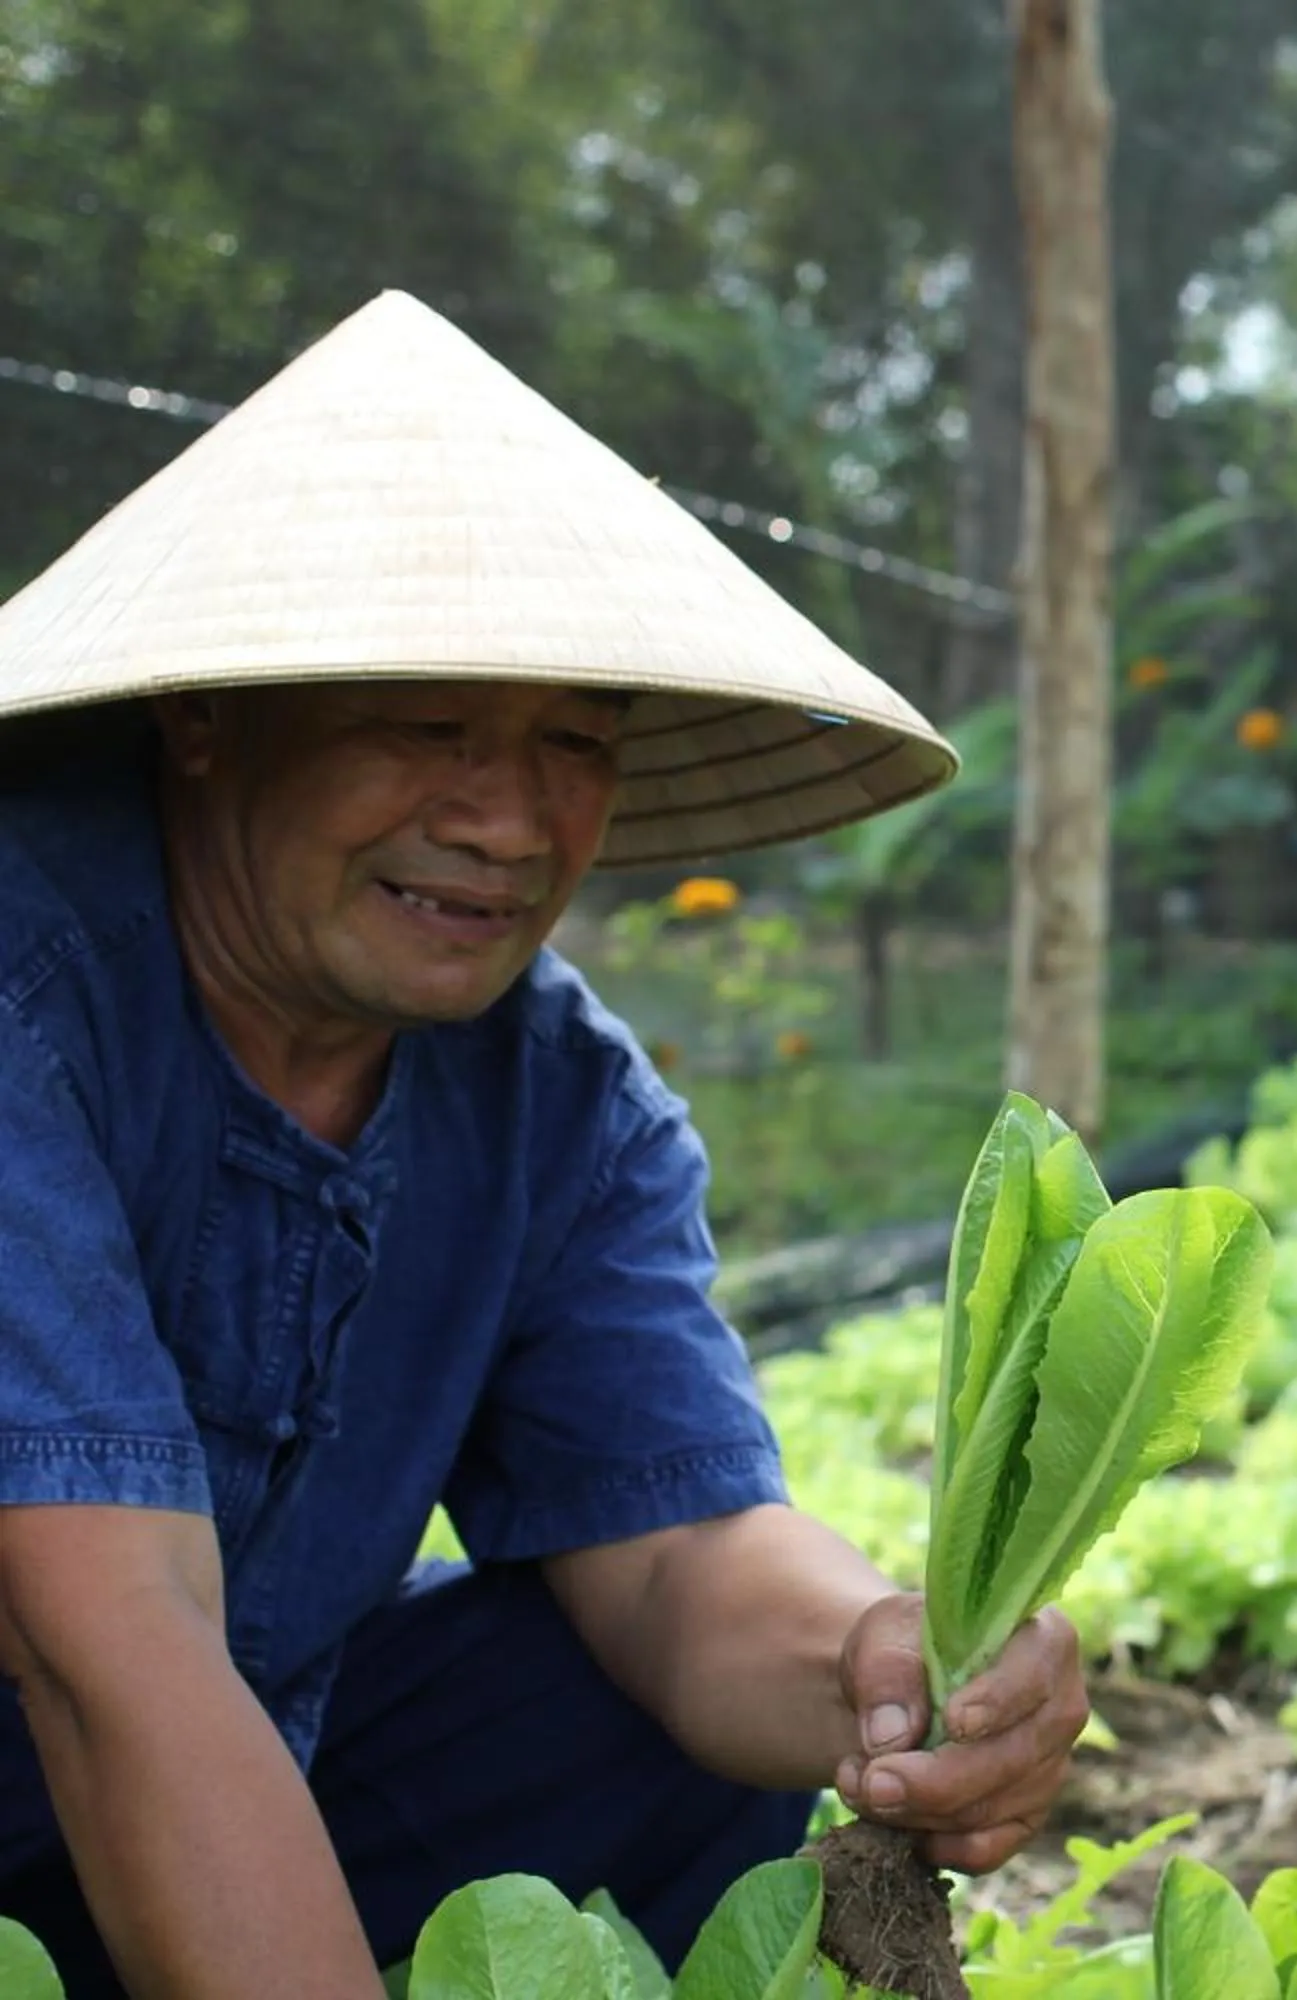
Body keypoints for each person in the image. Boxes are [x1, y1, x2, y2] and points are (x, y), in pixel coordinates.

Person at [0, 292, 1089, 1999]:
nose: (508, 820)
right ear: (206, 715)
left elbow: (674, 1556)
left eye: (572, 739)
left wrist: (883, 1669)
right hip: (72, 1737)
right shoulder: (28, 984)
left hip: (197, 1788)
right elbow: (98, 1642)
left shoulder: (560, 1101)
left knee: (657, 1723)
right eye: (425, 726)